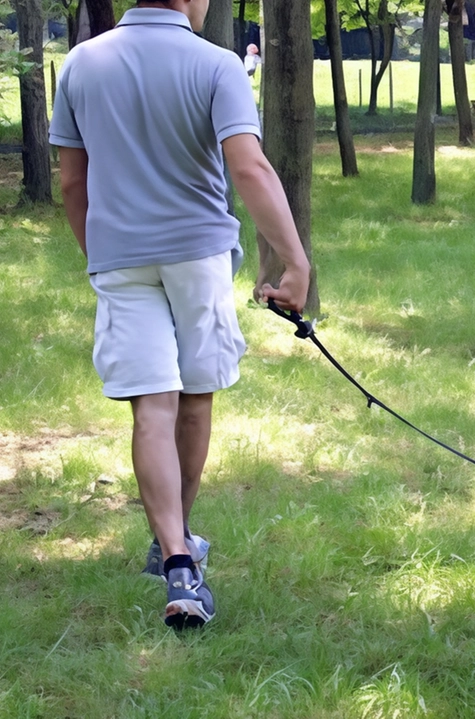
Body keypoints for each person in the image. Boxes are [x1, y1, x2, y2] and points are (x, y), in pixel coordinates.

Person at [50, 0, 311, 629]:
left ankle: (173, 554)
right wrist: (295, 262)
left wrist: (101, 253)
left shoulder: (82, 63)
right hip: (198, 255)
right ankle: (181, 549)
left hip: (120, 257)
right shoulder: (216, 64)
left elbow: (70, 182)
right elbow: (248, 166)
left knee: (152, 403)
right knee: (194, 398)